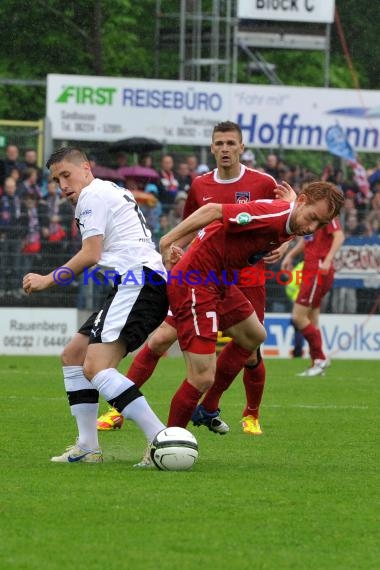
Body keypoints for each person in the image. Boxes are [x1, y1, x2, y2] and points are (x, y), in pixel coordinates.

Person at [97, 121, 285, 437]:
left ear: (242, 148)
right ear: (212, 148)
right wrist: (174, 249)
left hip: (247, 277)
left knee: (250, 347)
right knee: (159, 339)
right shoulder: (200, 186)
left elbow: (285, 218)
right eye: (219, 143)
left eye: (230, 143)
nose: (225, 149)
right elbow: (190, 226)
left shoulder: (264, 182)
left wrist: (282, 246)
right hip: (204, 276)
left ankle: (235, 410)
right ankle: (118, 408)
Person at [22, 147, 169, 463]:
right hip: (136, 282)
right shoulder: (107, 189)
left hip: (138, 281)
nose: (62, 185)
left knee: (96, 367)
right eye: (56, 179)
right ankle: (88, 447)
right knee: (73, 355)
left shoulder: (91, 195)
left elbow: (90, 253)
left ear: (86, 168)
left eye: (66, 175)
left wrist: (47, 279)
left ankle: (162, 439)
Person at [159, 181, 344, 429]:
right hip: (196, 281)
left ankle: (207, 407)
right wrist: (168, 240)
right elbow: (213, 210)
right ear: (301, 202)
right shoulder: (274, 216)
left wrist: (291, 204)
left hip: (219, 282)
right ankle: (166, 442)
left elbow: (288, 211)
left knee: (254, 335)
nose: (311, 228)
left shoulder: (292, 216)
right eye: (312, 218)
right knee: (201, 376)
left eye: (320, 224)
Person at [281, 217, 345, 376]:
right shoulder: (313, 216)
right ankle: (316, 365)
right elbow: (306, 241)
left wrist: (328, 260)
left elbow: (339, 236)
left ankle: (320, 359)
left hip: (318, 270)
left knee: (298, 317)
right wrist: (290, 255)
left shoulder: (328, 213)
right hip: (311, 270)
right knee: (312, 318)